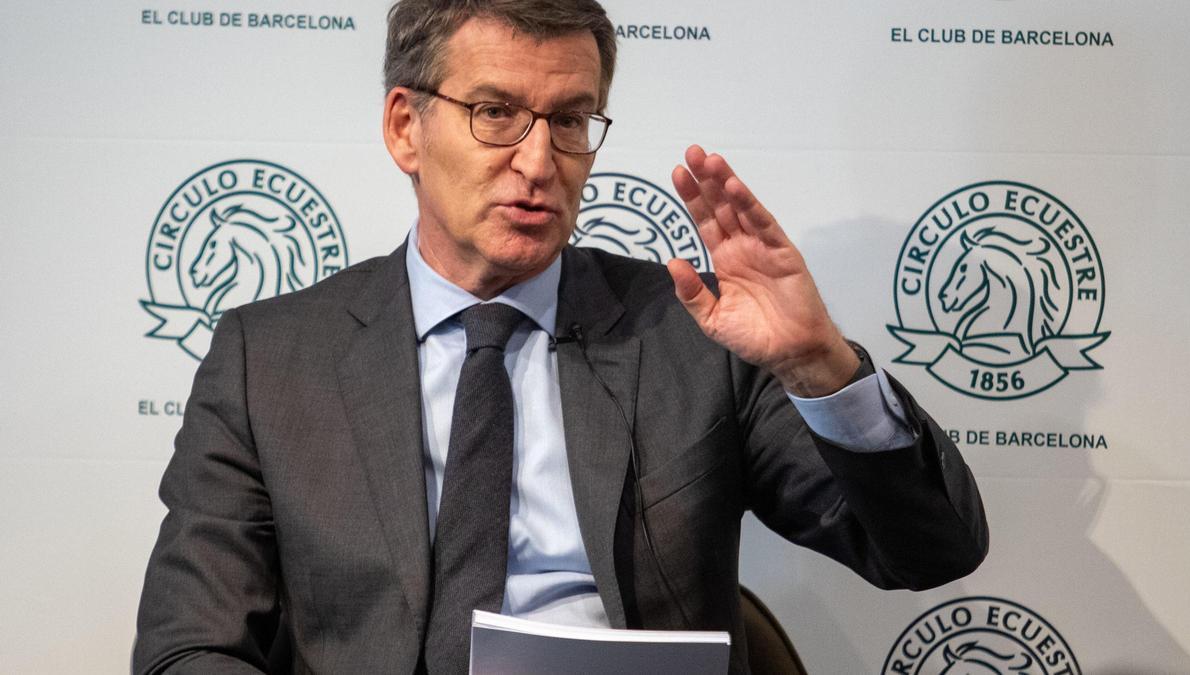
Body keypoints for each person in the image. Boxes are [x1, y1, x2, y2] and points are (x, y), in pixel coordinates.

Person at [133, 1, 987, 673]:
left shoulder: (694, 335)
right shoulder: (269, 361)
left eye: (571, 120)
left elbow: (930, 550)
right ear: (405, 127)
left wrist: (818, 365)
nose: (540, 162)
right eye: (496, 112)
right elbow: (190, 645)